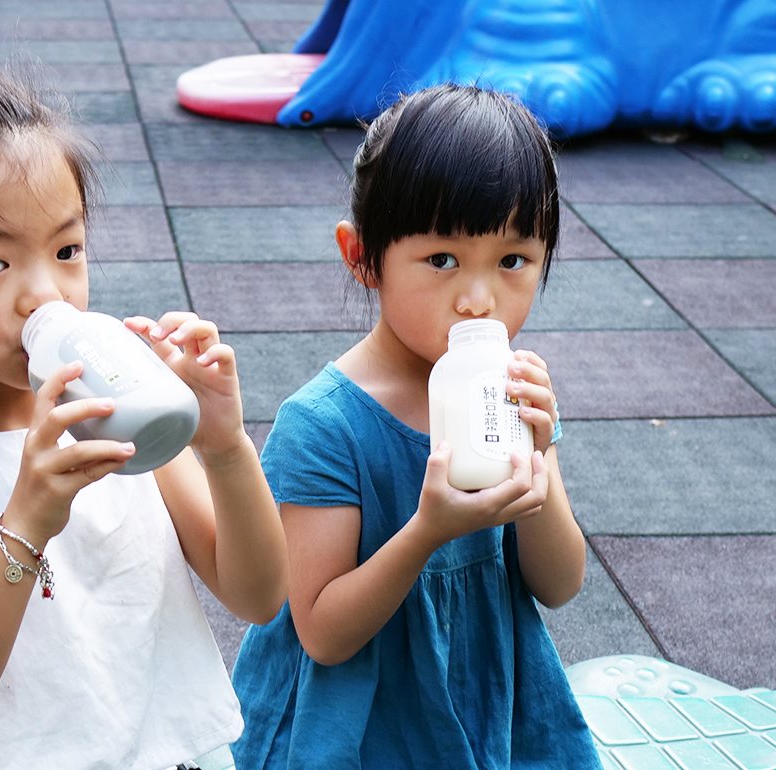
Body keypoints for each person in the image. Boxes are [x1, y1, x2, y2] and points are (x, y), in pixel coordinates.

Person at [0, 22, 287, 770]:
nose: (43, 292)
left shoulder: (121, 406)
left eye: (67, 250)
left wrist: (224, 445)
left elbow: (259, 594)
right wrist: (27, 521)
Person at [230, 84, 600, 769]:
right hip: (358, 728)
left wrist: (540, 455)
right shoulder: (324, 425)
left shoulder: (509, 395)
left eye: (513, 260)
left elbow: (560, 582)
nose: (479, 297)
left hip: (478, 703)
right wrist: (427, 531)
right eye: (442, 260)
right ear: (363, 257)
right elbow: (323, 633)